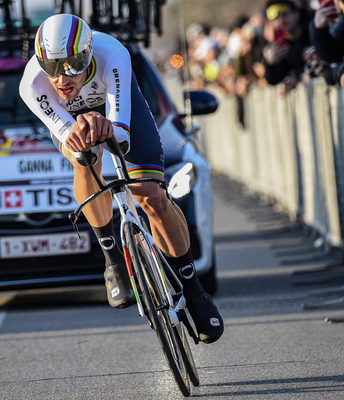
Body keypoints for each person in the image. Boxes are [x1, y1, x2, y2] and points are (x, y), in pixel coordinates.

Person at [19, 14, 223, 344]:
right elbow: (67, 135)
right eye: (51, 67)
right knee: (83, 160)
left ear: (87, 55)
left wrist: (105, 126)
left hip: (118, 110)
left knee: (150, 196)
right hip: (72, 120)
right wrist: (80, 132)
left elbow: (123, 138)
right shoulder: (32, 83)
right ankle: (113, 260)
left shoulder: (112, 52)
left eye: (71, 65)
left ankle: (194, 289)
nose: (61, 78)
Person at [262, 0, 312, 89]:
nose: (281, 21)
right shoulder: (281, 45)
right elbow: (273, 80)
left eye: (285, 15)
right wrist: (271, 63)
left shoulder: (313, 30)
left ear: (296, 14)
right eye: (275, 18)